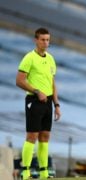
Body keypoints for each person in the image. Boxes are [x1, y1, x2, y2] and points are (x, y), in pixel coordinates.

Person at [16, 27, 61, 179]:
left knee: (45, 136)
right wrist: (37, 91)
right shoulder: (29, 58)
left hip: (48, 102)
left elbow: (53, 83)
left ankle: (44, 172)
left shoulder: (50, 59)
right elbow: (19, 81)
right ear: (36, 40)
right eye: (42, 39)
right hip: (34, 101)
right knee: (32, 136)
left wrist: (57, 105)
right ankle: (25, 171)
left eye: (47, 40)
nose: (45, 42)